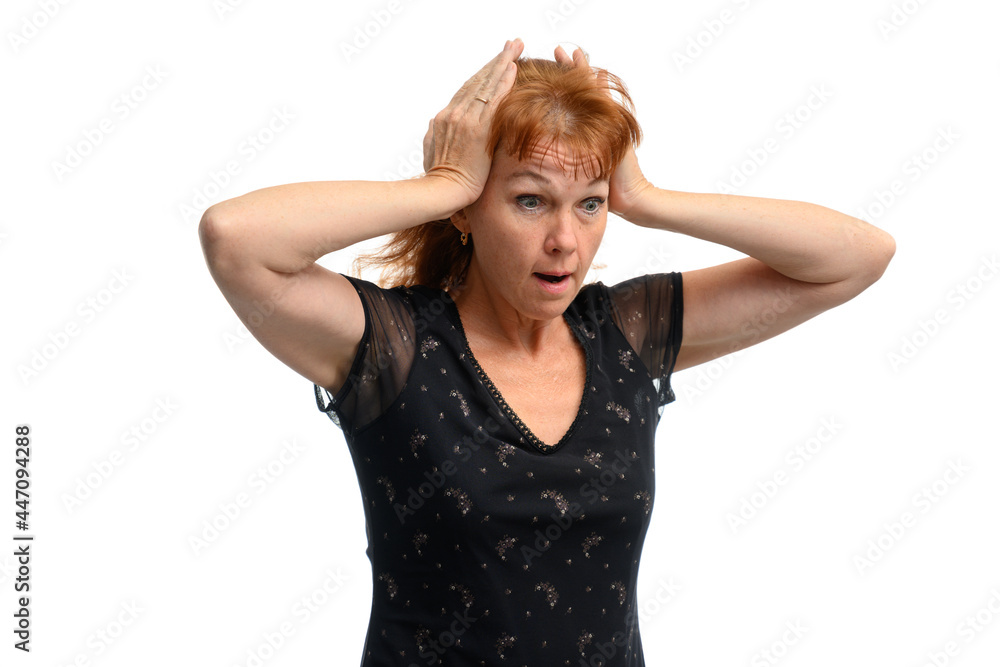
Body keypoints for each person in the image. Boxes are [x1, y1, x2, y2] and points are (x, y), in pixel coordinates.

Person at [198, 37, 894, 666]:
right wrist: (440, 185)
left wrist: (648, 198)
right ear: (469, 210)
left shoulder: (627, 335)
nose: (566, 239)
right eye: (531, 201)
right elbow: (236, 238)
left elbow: (857, 256)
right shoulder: (394, 346)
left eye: (589, 205)